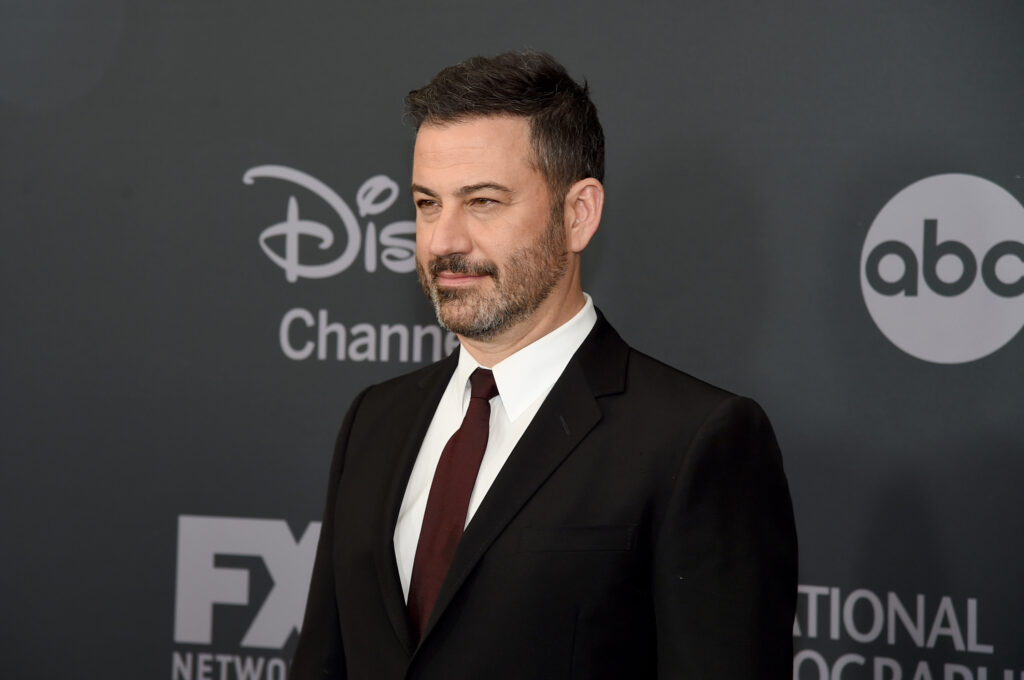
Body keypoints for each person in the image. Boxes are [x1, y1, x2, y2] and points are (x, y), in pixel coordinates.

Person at [291, 51, 797, 680]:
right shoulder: (375, 418)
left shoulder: (695, 441)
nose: (444, 240)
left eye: (482, 202)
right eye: (427, 204)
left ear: (578, 213)